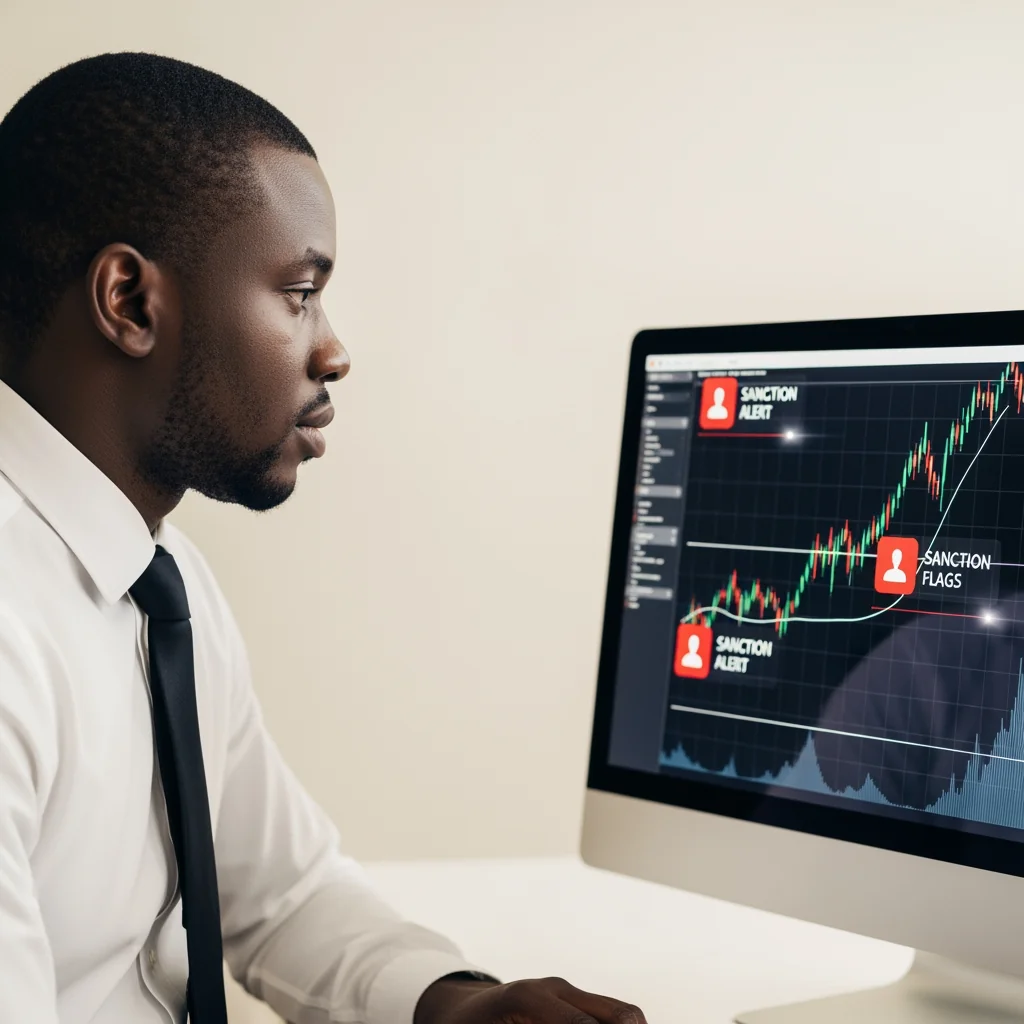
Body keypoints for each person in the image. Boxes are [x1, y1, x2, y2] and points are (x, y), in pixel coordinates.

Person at [0, 53, 647, 1024]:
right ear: (131, 301)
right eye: (300, 292)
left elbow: (279, 892)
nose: (332, 348)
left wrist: (460, 1007)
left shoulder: (163, 585)